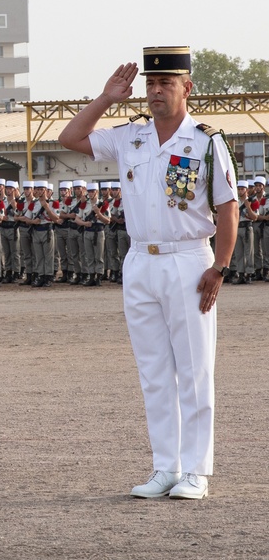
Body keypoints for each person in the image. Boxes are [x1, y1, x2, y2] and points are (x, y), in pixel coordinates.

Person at [59, 47, 238, 500]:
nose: (156, 92)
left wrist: (219, 267)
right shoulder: (130, 137)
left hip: (188, 260)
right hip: (141, 260)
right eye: (151, 85)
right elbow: (70, 138)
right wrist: (105, 98)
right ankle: (166, 467)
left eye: (166, 84)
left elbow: (227, 207)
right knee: (155, 371)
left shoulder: (205, 140)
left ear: (186, 88)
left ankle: (197, 471)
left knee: (195, 368)